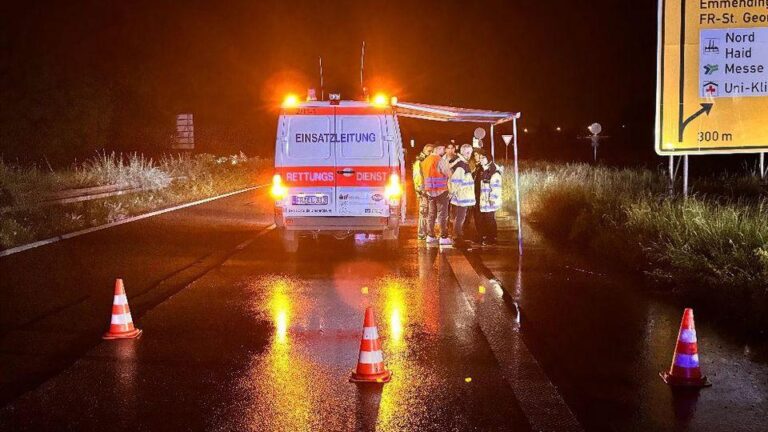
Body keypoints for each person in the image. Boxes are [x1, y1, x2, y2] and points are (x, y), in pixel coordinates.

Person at [421, 145, 453, 246]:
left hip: (429, 191)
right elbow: (449, 174)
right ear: (437, 149)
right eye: (442, 149)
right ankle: (443, 237)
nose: (444, 151)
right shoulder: (440, 160)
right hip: (441, 191)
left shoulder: (425, 161)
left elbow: (423, 176)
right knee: (442, 215)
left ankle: (430, 236)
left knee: (431, 214)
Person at [448, 144, 476, 247]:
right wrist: (453, 193)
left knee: (459, 217)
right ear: (462, 152)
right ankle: (457, 238)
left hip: (461, 196)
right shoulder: (461, 165)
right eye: (467, 152)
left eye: (470, 152)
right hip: (462, 196)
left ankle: (458, 237)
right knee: (460, 217)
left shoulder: (461, 163)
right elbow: (456, 181)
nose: (469, 155)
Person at [477, 151, 503, 245]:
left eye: (483, 158)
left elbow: (496, 187)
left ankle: (492, 238)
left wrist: (492, 198)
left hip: (490, 200)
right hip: (484, 199)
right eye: (480, 158)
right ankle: (488, 236)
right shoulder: (483, 169)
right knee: (485, 218)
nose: (481, 160)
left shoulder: (493, 171)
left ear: (489, 159)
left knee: (490, 219)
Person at [412, 144, 434, 240]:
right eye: (429, 151)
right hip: (424, 192)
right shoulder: (420, 162)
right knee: (424, 213)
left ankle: (427, 233)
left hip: (430, 191)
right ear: (424, 151)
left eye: (432, 151)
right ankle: (422, 234)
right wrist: (421, 191)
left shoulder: (428, 161)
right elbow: (417, 178)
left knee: (429, 213)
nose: (430, 153)